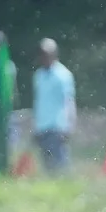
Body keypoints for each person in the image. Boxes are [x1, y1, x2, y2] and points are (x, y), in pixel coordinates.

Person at [30, 37, 76, 173]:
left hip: (57, 125)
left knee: (60, 163)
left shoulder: (63, 75)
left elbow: (68, 101)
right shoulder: (38, 75)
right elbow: (38, 102)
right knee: (46, 164)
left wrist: (69, 125)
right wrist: (35, 125)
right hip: (42, 125)